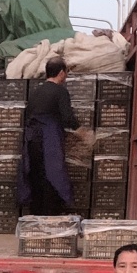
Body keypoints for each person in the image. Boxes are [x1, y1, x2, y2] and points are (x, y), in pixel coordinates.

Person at [18, 57, 91, 216]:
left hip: (31, 141)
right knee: (52, 175)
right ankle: (51, 216)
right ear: (61, 73)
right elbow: (68, 118)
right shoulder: (60, 91)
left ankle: (35, 215)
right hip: (48, 139)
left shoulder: (35, 91)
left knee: (35, 175)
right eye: (66, 72)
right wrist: (83, 133)